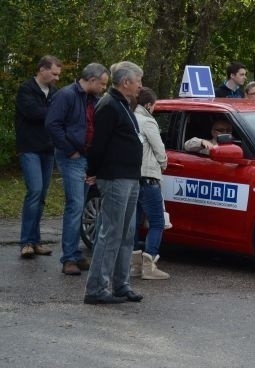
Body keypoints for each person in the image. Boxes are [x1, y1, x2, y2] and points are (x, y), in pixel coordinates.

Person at [84, 61, 144, 305]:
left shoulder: (123, 104)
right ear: (126, 82)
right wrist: (94, 171)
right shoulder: (109, 105)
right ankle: (97, 288)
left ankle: (121, 284)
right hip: (115, 177)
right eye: (138, 81)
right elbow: (98, 144)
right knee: (111, 234)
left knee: (127, 234)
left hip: (130, 177)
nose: (141, 85)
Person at [45, 62, 109, 275]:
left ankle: (74, 254)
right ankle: (69, 257)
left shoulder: (93, 99)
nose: (103, 88)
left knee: (79, 206)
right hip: (72, 156)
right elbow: (52, 124)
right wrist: (70, 149)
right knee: (75, 205)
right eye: (102, 84)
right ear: (91, 80)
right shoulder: (66, 95)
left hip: (85, 156)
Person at [15, 55, 62, 259]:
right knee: (34, 191)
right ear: (42, 69)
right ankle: (26, 241)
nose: (56, 78)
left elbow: (57, 117)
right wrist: (53, 112)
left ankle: (35, 240)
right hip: (29, 148)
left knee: (41, 196)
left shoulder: (54, 92)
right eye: (54, 73)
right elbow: (33, 113)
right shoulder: (27, 89)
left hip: (47, 149)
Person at [131, 87, 169, 280]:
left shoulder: (130, 118)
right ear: (148, 105)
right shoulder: (148, 121)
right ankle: (149, 263)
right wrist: (164, 164)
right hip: (148, 177)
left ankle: (136, 265)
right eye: (153, 106)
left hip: (133, 178)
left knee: (135, 222)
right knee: (157, 222)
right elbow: (159, 149)